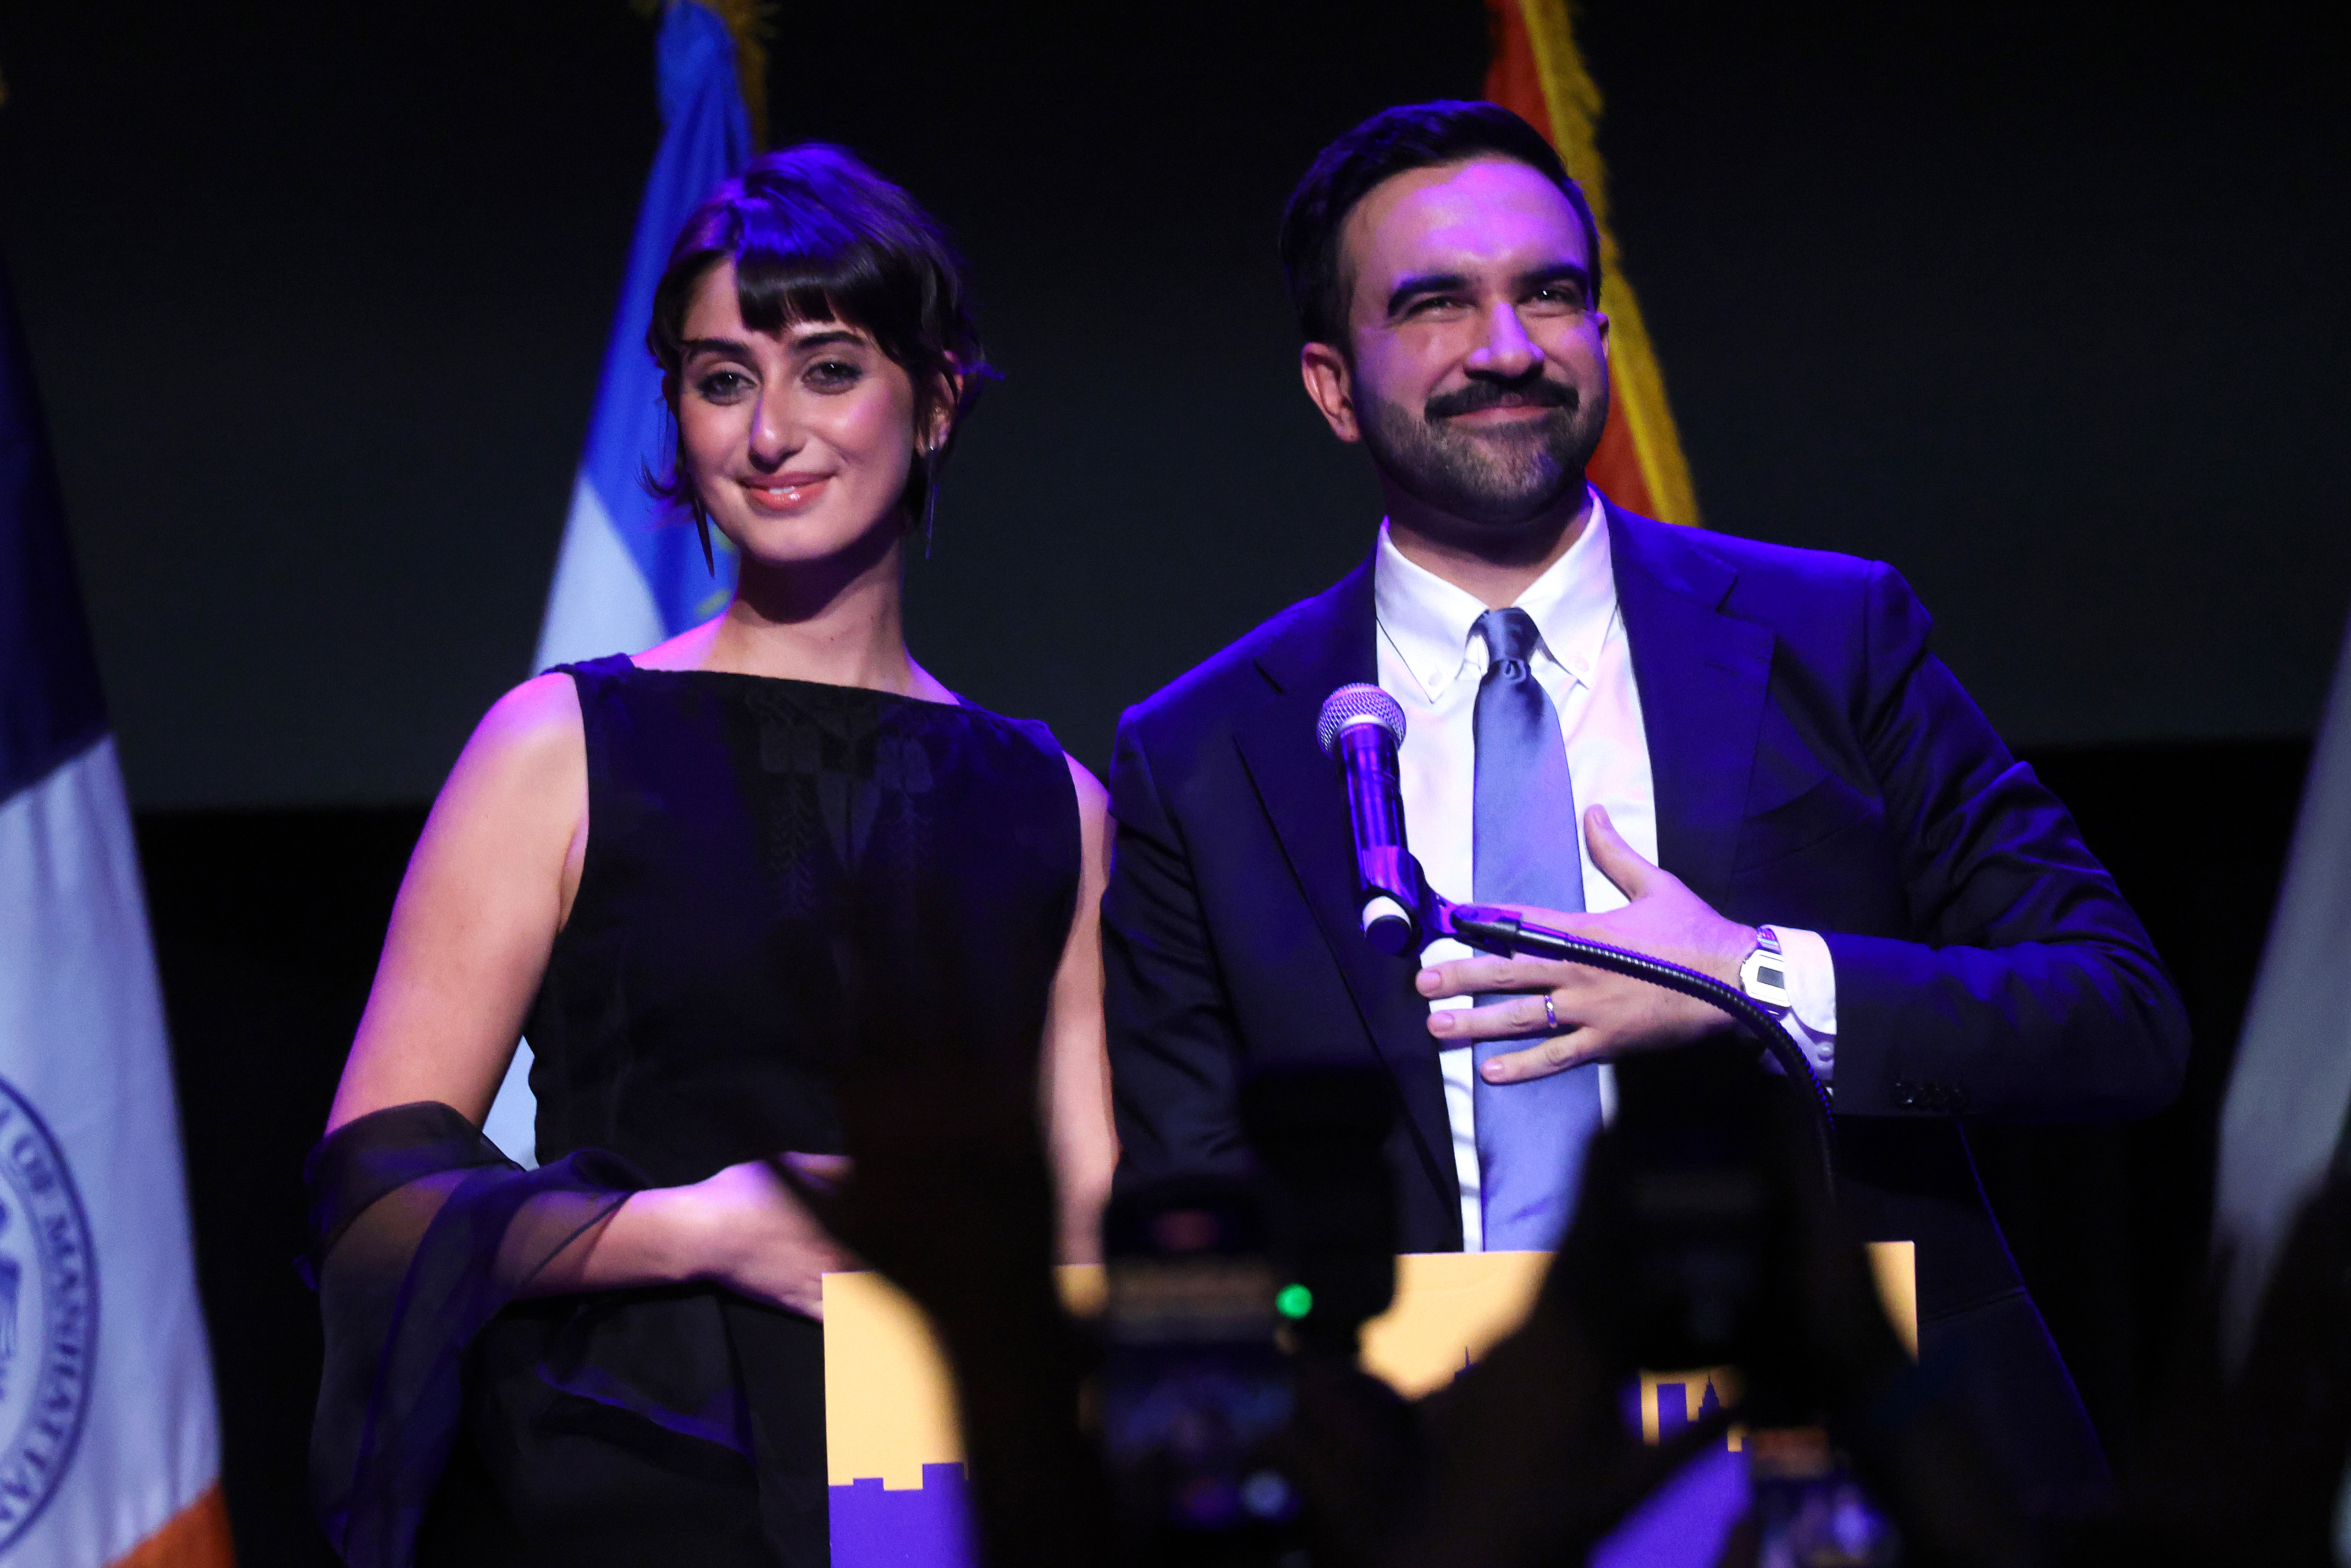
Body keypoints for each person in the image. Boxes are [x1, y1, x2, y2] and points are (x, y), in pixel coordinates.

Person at [1100, 99, 2188, 1519]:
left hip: (1859, 1464)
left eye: (1550, 293)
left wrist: (1754, 981)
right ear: (1332, 384)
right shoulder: (1199, 754)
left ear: (1601, 332)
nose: (1507, 347)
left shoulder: (1834, 636)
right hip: (1441, 1497)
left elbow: (2119, 1015)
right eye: (1435, 304)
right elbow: (1201, 1207)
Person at [303, 144, 1117, 1568]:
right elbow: (373, 1209)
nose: (771, 432)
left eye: (829, 370)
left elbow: (1085, 1222)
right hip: (635, 1486)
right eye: (724, 379)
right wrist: (696, 1229)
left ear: (935, 402)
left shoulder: (1057, 801)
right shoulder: (559, 744)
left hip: (947, 1491)